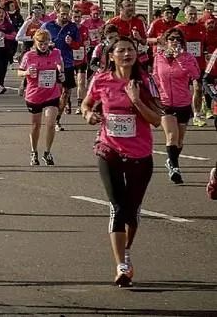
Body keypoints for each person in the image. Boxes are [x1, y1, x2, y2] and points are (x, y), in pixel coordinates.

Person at [80, 36, 162, 288]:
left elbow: (156, 120)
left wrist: (136, 100)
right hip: (109, 150)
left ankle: (126, 250)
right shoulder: (101, 79)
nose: (127, 54)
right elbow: (86, 104)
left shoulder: (146, 81)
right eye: (121, 50)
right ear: (111, 56)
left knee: (132, 210)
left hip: (140, 154)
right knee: (117, 207)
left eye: (131, 50)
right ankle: (121, 266)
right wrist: (88, 114)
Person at [152, 29, 199, 184]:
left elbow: (195, 74)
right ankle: (175, 168)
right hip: (165, 103)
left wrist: (180, 58)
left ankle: (171, 160)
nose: (175, 41)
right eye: (171, 39)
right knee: (171, 136)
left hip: (183, 102)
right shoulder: (159, 57)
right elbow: (155, 77)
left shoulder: (188, 57)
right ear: (166, 41)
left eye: (178, 39)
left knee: (179, 140)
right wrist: (156, 97)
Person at [18, 29, 64, 166]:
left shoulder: (56, 53)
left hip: (52, 93)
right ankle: (34, 151)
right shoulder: (29, 56)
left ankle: (47, 152)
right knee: (36, 126)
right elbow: (19, 72)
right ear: (35, 42)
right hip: (34, 95)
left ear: (49, 42)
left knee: (50, 124)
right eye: (40, 43)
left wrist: (61, 74)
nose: (43, 46)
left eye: (46, 43)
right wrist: (26, 72)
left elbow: (60, 66)